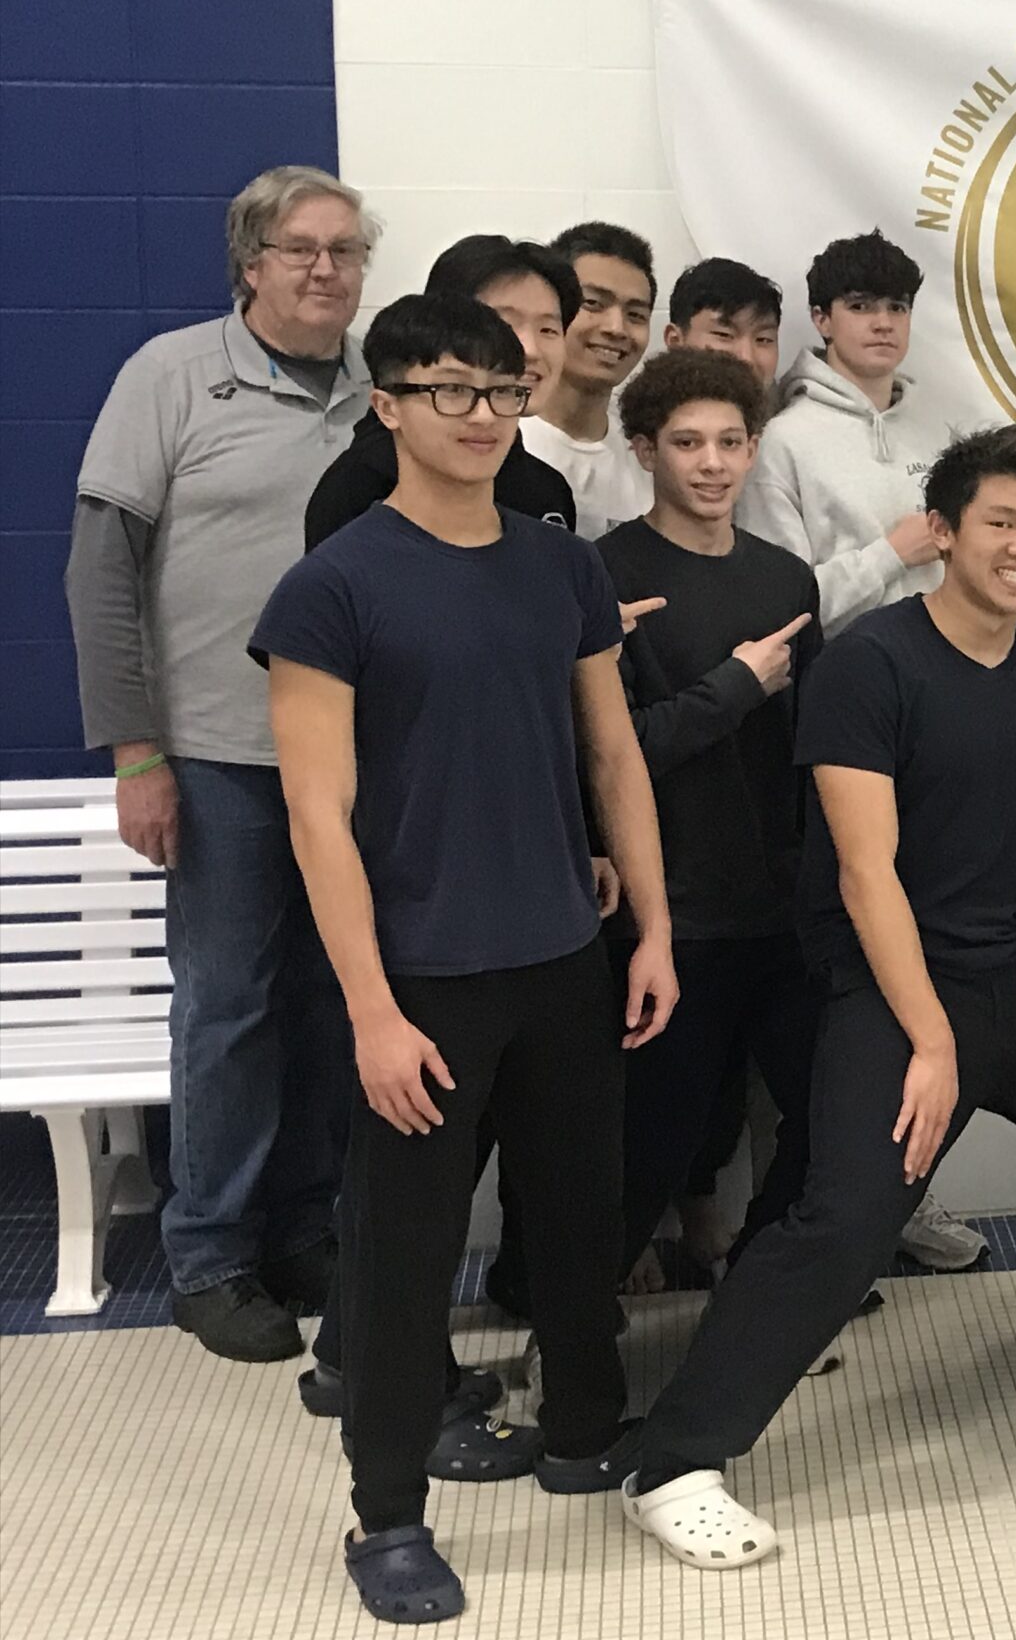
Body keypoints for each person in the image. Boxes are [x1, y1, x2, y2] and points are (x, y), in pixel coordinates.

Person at [622, 424, 1016, 1570]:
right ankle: (673, 1463)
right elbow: (865, 874)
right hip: (885, 978)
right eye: (999, 522)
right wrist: (932, 1042)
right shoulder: (871, 667)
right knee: (850, 1214)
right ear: (943, 534)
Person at [252, 293, 679, 1622]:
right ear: (388, 406)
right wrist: (372, 1012)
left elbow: (609, 752)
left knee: (573, 1220)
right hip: (420, 978)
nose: (483, 414)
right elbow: (315, 814)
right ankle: (387, 1516)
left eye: (503, 389)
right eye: (450, 390)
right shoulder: (332, 587)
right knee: (402, 1258)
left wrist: (650, 926)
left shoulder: (559, 566)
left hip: (563, 951)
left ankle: (582, 1437)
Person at [66, 165, 377, 1362]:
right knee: (230, 1007)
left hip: (353, 761)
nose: (325, 272)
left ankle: (306, 1228)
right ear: (250, 263)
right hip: (220, 756)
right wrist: (135, 748)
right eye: (301, 250)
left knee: (327, 999)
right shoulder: (172, 377)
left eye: (345, 251)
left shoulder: (382, 391)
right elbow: (99, 576)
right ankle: (211, 1252)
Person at [737, 227, 982, 1272]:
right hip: (840, 720)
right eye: (860, 305)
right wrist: (894, 551)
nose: (882, 322)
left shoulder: (940, 426)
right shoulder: (784, 439)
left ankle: (907, 1191)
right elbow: (783, 605)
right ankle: (844, 1202)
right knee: (855, 968)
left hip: (947, 709)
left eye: (897, 305)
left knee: (940, 942)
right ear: (823, 319)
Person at [599, 348, 826, 1294]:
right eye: (687, 442)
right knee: (657, 1126)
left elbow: (812, 753)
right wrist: (730, 688)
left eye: (731, 442)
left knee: (814, 1114)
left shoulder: (785, 579)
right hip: (667, 906)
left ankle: (757, 1282)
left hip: (778, 899)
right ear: (646, 449)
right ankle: (581, 1307)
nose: (711, 463)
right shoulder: (604, 574)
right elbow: (609, 757)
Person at [305, 235, 578, 546]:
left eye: (549, 330)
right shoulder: (363, 486)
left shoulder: (546, 488)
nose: (529, 349)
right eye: (503, 324)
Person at [523, 221, 657, 539]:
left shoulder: (649, 455)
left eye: (635, 314)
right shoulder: (498, 438)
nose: (616, 328)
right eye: (593, 304)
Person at [663, 256, 785, 399]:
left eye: (764, 339)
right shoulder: (643, 417)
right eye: (724, 335)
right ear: (675, 342)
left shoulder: (799, 418)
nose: (747, 358)